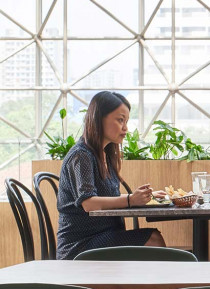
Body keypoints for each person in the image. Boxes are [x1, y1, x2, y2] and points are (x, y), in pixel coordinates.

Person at [56, 91, 165, 260]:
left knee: (153, 238)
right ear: (98, 119)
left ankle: (139, 286)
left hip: (104, 235)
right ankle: (153, 287)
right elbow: (89, 203)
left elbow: (108, 198)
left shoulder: (104, 154)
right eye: (120, 120)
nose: (125, 128)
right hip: (80, 246)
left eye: (126, 121)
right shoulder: (81, 155)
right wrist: (130, 200)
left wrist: (144, 197)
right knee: (153, 239)